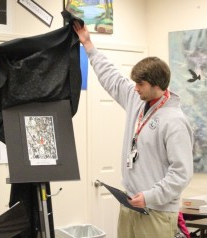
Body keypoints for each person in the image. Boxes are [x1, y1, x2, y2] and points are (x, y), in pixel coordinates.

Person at [73, 22, 194, 238]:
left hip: (156, 211)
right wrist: (89, 45)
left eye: (141, 84)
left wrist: (150, 197)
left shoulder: (174, 121)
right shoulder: (136, 100)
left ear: (157, 85)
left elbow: (181, 173)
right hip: (130, 205)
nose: (135, 88)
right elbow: (111, 77)